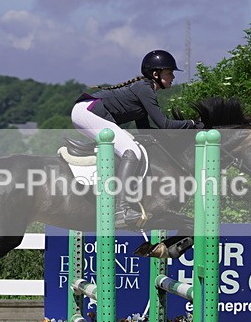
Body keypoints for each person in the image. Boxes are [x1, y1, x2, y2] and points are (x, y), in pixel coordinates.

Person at [71, 49, 201, 228]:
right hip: (88, 111)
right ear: (155, 74)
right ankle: (121, 210)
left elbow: (146, 131)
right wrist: (193, 123)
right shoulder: (145, 89)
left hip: (88, 111)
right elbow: (164, 124)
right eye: (169, 73)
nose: (173, 77)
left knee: (132, 146)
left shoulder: (144, 90)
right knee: (131, 151)